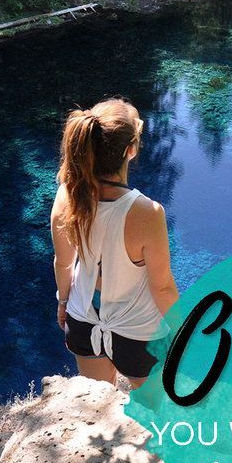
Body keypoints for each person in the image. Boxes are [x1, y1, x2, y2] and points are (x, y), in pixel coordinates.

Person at [51, 97, 178, 389]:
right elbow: (163, 287)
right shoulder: (147, 212)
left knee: (98, 405)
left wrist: (63, 302)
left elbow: (63, 262)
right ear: (130, 151)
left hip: (82, 320)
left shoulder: (66, 195)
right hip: (139, 332)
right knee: (153, 415)